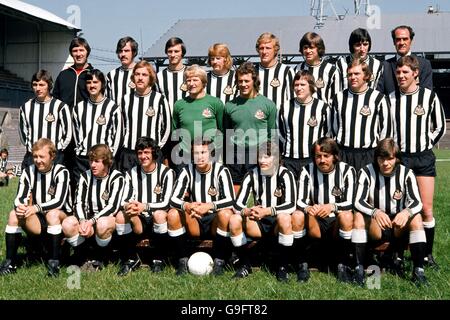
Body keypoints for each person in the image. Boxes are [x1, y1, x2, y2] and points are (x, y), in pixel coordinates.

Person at [389, 55, 446, 269]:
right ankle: (398, 255)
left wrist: (425, 143)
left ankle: (426, 256)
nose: (401, 75)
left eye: (405, 72)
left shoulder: (429, 97)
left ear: (415, 73)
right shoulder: (391, 99)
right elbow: (386, 130)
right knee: (401, 207)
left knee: (425, 209)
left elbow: (439, 126)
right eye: (398, 72)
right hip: (401, 159)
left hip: (422, 158)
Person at [354, 138, 428, 286]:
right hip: (376, 224)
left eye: (390, 159)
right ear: (376, 158)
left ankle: (418, 271)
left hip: (398, 225)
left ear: (397, 159)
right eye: (382, 158)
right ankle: (359, 268)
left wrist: (406, 213)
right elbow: (358, 201)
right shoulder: (366, 171)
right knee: (358, 217)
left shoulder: (407, 173)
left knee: (417, 218)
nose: (385, 163)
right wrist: (375, 212)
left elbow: (417, 201)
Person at [0, 138, 71, 277]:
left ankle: (54, 264)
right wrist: (20, 207)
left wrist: (35, 208)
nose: (38, 160)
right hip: (38, 220)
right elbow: (20, 197)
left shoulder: (61, 171)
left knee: (53, 214)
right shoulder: (28, 172)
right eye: (35, 156)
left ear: (52, 156)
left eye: (42, 156)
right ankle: (10, 263)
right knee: (13, 214)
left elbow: (59, 201)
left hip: (62, 219)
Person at [229, 141, 296, 281]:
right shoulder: (251, 174)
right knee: (234, 219)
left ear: (276, 158)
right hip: (257, 223)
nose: (262, 161)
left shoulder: (285, 174)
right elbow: (237, 205)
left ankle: (282, 267)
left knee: (285, 218)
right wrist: (247, 211)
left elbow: (291, 205)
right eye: (260, 157)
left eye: (267, 157)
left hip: (278, 223)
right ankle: (244, 265)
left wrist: (267, 211)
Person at [168, 139, 235, 276]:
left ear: (211, 154)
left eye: (203, 152)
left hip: (214, 220)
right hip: (195, 219)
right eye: (196, 153)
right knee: (173, 214)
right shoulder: (187, 171)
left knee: (226, 214)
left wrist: (209, 206)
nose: (200, 156)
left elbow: (231, 201)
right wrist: (187, 205)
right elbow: (173, 199)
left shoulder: (221, 171)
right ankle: (183, 260)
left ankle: (219, 261)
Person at [296, 137, 356, 283]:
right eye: (318, 156)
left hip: (336, 221)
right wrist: (309, 207)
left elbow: (352, 202)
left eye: (326, 156)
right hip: (315, 221)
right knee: (297, 215)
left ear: (335, 156)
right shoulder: (307, 170)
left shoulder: (347, 170)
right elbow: (300, 201)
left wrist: (331, 206)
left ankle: (343, 265)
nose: (322, 160)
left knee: (347, 216)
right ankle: (302, 264)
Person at [117, 137, 175, 276]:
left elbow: (167, 203)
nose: (143, 156)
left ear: (154, 153)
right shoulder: (131, 173)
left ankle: (158, 259)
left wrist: (145, 206)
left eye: (147, 152)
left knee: (160, 214)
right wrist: (130, 206)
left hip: (157, 218)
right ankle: (131, 259)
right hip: (139, 219)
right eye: (140, 153)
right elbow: (124, 199)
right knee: (120, 216)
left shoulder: (167, 173)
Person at [62, 144, 125, 270]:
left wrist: (91, 221)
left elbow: (112, 207)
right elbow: (78, 202)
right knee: (67, 224)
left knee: (102, 224)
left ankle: (101, 257)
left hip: (106, 219)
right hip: (87, 219)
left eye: (97, 161)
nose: (92, 165)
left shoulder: (117, 177)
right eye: (91, 161)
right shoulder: (85, 176)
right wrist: (82, 221)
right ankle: (82, 256)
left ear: (107, 162)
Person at [223, 62, 277, 190]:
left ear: (254, 80)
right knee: (235, 188)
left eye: (246, 81)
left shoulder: (268, 104)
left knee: (259, 189)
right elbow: (227, 132)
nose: (243, 84)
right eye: (240, 81)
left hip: (259, 152)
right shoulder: (230, 106)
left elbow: (271, 133)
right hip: (235, 153)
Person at [331, 59, 392, 171]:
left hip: (369, 154)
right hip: (344, 153)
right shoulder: (339, 98)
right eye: (350, 74)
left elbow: (386, 130)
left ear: (367, 76)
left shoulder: (378, 98)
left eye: (357, 74)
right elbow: (334, 127)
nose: (353, 77)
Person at [52, 37, 94, 183]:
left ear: (87, 52)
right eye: (75, 50)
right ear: (71, 53)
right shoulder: (64, 75)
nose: (78, 53)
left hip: (86, 130)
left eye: (81, 50)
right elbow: (54, 100)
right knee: (65, 168)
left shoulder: (94, 75)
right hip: (64, 130)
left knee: (84, 169)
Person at [119, 60, 171, 172]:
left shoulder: (159, 99)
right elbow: (120, 125)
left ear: (150, 78)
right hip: (129, 152)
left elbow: (167, 127)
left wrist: (157, 146)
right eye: (137, 74)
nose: (140, 78)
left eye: (144, 75)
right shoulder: (125, 99)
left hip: (151, 153)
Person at [72, 69, 123, 185]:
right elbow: (76, 133)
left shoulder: (112, 107)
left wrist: (110, 155)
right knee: (82, 191)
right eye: (89, 82)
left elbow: (118, 134)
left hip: (103, 159)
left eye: (95, 82)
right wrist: (80, 150)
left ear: (102, 84)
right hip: (83, 158)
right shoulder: (78, 108)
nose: (92, 85)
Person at [278, 70, 331, 179]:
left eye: (302, 84)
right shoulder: (285, 107)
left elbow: (328, 133)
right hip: (289, 159)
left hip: (312, 159)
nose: (298, 88)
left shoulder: (323, 107)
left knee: (312, 193)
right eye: (296, 85)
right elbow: (280, 134)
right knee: (290, 193)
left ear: (311, 86)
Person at [172, 64, 224, 175]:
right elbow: (175, 131)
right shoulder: (179, 105)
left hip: (209, 154)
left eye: (195, 80)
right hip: (185, 155)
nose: (191, 83)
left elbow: (222, 129)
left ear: (204, 82)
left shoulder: (215, 103)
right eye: (188, 80)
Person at [19, 70, 72, 168]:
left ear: (49, 85)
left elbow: (67, 133)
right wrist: (32, 148)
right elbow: (23, 133)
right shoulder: (25, 107)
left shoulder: (60, 106)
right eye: (35, 84)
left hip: (54, 157)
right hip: (33, 157)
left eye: (41, 84)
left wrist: (57, 149)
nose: (38, 88)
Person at [377, 25, 433, 96]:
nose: (401, 43)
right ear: (394, 42)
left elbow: (426, 94)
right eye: (398, 39)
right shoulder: (384, 66)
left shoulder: (424, 64)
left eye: (405, 39)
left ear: (411, 41)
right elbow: (379, 94)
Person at [295, 32, 340, 105]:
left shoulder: (331, 70)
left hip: (323, 114)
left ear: (319, 49)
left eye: (311, 47)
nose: (308, 51)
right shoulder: (297, 69)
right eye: (305, 48)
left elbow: (336, 98)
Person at [255, 32, 295, 109]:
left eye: (268, 48)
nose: (264, 52)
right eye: (261, 48)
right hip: (256, 119)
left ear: (275, 50)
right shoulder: (252, 71)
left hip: (278, 119)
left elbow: (292, 99)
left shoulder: (287, 71)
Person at [106, 36, 139, 108]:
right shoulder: (111, 75)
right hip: (118, 118)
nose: (123, 54)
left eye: (126, 51)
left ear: (134, 52)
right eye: (120, 51)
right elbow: (107, 101)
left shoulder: (143, 73)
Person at [157, 37, 188, 110]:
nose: (173, 55)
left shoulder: (191, 74)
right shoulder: (159, 76)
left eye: (176, 51)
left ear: (182, 53)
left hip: (187, 119)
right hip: (165, 120)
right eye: (170, 51)